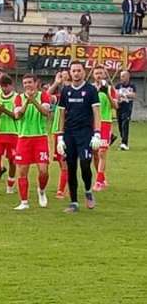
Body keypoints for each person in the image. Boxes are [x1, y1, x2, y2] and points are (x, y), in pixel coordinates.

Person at [56, 61, 101, 213]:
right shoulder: (65, 91)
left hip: (85, 133)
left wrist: (97, 133)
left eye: (78, 70)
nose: (76, 73)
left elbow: (96, 113)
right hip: (69, 133)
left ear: (83, 72)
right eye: (73, 71)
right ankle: (74, 202)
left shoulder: (91, 90)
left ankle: (88, 190)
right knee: (71, 167)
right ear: (70, 72)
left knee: (85, 164)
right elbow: (62, 114)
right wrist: (60, 136)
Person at [12, 74, 51, 210]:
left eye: (30, 82)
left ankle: (41, 190)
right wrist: (27, 102)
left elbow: (46, 112)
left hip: (40, 137)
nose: (27, 85)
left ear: (36, 83)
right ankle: (24, 202)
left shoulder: (44, 96)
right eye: (25, 83)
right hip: (23, 138)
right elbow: (17, 115)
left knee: (43, 171)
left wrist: (33, 100)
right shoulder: (18, 98)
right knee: (22, 171)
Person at [90, 66, 118, 192]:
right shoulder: (89, 88)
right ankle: (102, 177)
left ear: (105, 75)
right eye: (96, 73)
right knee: (95, 154)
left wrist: (106, 93)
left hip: (104, 123)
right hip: (90, 123)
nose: (99, 75)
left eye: (101, 73)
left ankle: (98, 181)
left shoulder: (110, 89)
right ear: (93, 75)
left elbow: (116, 106)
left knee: (102, 152)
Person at [47, 70, 71, 199]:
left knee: (65, 161)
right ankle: (65, 186)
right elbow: (46, 95)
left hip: (69, 131)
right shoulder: (59, 96)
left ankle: (61, 190)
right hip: (57, 131)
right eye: (62, 75)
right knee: (62, 162)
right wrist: (56, 82)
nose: (64, 77)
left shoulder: (74, 95)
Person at [115, 71, 136, 151]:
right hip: (119, 107)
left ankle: (124, 143)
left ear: (128, 76)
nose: (122, 78)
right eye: (121, 76)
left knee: (125, 124)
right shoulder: (118, 86)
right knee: (120, 125)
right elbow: (116, 95)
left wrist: (124, 95)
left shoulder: (132, 86)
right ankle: (122, 140)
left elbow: (133, 95)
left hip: (127, 108)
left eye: (123, 76)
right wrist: (118, 98)